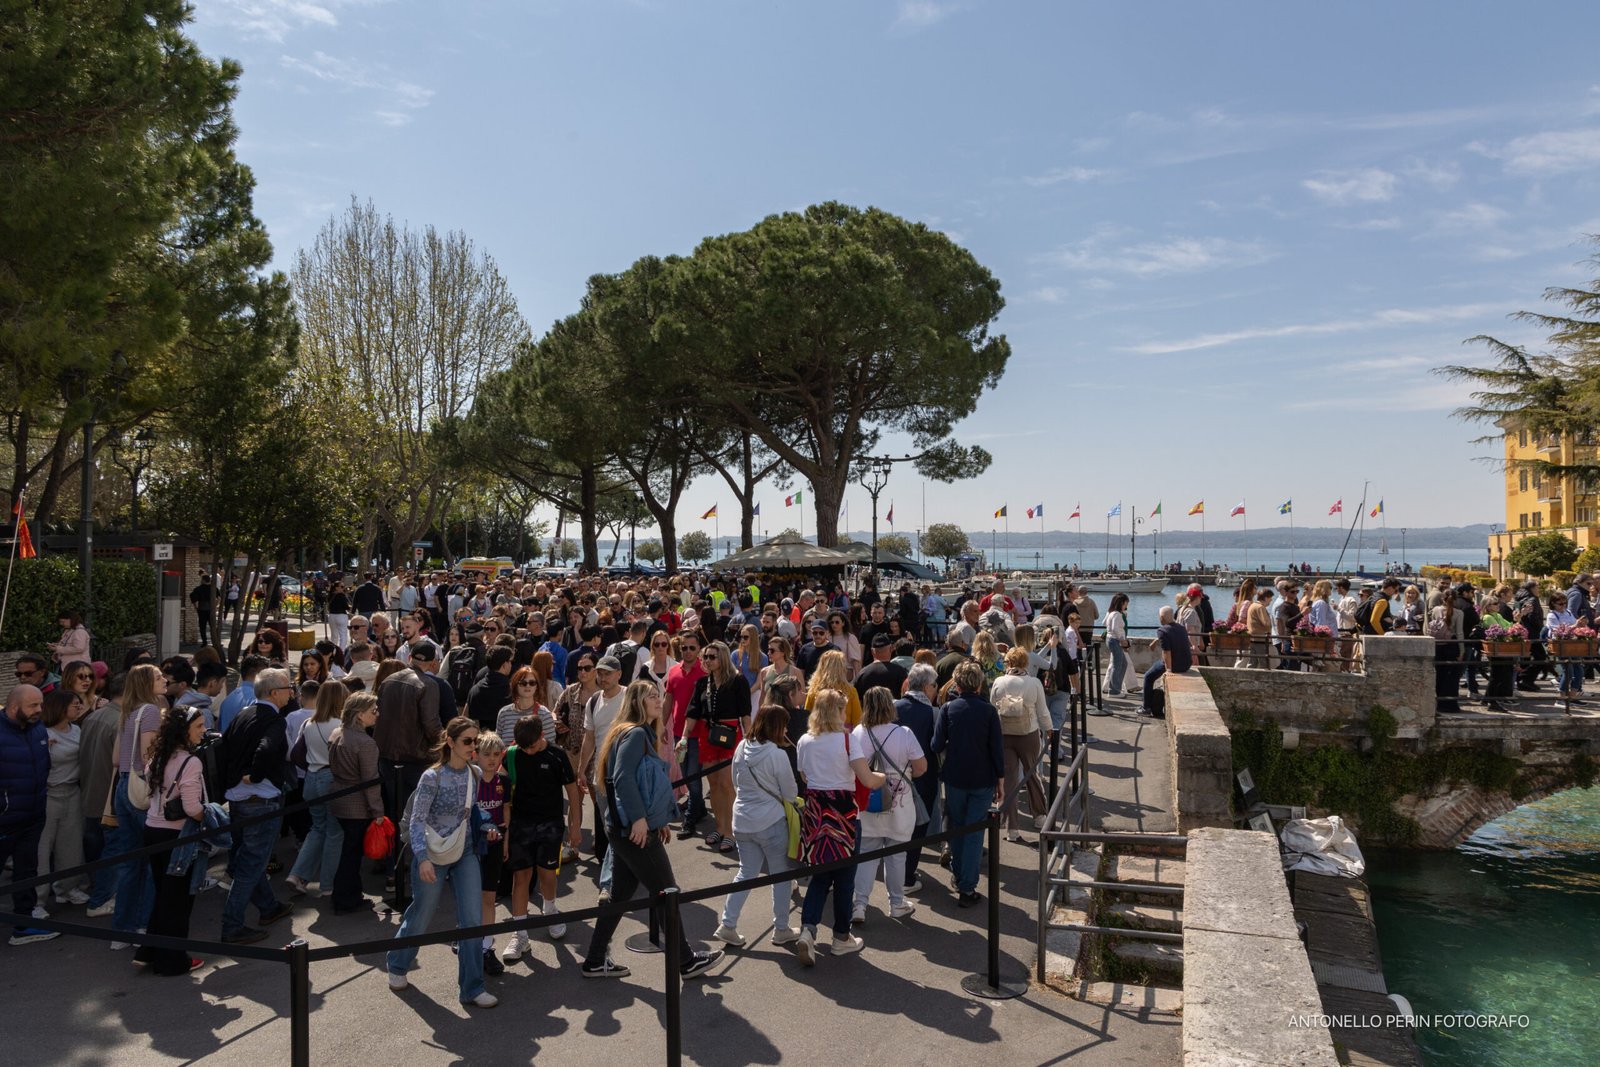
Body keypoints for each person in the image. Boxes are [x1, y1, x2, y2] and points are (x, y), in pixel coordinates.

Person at [583, 681, 722, 981]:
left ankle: (594, 959)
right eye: (652, 697)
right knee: (667, 890)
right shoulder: (634, 733)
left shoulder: (634, 732)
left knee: (619, 894)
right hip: (632, 830)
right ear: (637, 702)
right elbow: (622, 779)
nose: (659, 701)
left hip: (625, 828)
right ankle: (685, 961)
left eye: (659, 696)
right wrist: (639, 820)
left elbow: (640, 782)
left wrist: (654, 821)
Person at [385, 717, 497, 1009]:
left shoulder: (473, 773)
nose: (473, 746)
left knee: (472, 919)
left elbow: (473, 812)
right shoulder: (431, 777)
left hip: (466, 850)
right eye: (467, 741)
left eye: (476, 741)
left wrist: (487, 826)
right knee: (423, 912)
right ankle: (398, 964)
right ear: (450, 742)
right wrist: (422, 859)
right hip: (432, 854)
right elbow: (418, 820)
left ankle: (472, 987)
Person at [793, 689, 885, 964]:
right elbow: (867, 780)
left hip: (815, 813)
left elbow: (804, 776)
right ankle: (840, 937)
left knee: (820, 874)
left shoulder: (805, 740)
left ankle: (808, 930)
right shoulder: (847, 740)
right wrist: (882, 776)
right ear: (837, 712)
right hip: (843, 815)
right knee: (845, 878)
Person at [218, 666, 295, 944]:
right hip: (260, 800)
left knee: (248, 859)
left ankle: (268, 907)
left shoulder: (242, 714)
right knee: (250, 865)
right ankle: (232, 924)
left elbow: (223, 747)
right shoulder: (274, 720)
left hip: (238, 799)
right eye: (288, 689)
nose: (291, 693)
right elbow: (266, 748)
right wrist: (256, 774)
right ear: (274, 693)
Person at [714, 703, 801, 947]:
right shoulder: (777, 754)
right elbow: (790, 793)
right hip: (771, 821)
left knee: (746, 872)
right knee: (780, 875)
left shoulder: (742, 746)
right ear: (777, 727)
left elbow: (734, 781)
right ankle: (781, 928)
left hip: (742, 820)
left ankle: (728, 924)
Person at [134, 704, 209, 975]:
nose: (204, 731)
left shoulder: (157, 757)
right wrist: (210, 816)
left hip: (152, 830)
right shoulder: (191, 761)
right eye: (199, 726)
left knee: (165, 895)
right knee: (177, 901)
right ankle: (172, 961)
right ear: (184, 731)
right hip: (177, 834)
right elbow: (192, 808)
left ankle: (149, 950)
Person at [501, 711, 576, 961]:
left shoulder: (557, 755)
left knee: (546, 872)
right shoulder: (512, 755)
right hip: (521, 824)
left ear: (542, 736)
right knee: (521, 877)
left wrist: (575, 825)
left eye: (532, 747)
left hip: (550, 824)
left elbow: (572, 791)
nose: (528, 752)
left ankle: (550, 908)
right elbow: (500, 785)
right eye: (524, 748)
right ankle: (519, 933)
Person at [850, 686, 927, 924]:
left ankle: (859, 904)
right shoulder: (903, 733)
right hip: (899, 803)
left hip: (868, 800)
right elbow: (921, 767)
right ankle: (896, 903)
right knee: (896, 854)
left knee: (866, 854)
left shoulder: (858, 733)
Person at [932, 662, 1004, 907]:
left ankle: (959, 873)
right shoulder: (989, 711)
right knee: (974, 832)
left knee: (957, 827)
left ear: (957, 684)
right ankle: (967, 885)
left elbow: (936, 744)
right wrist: (1000, 780)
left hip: (955, 777)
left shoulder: (948, 708)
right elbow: (996, 749)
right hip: (983, 778)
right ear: (979, 683)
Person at [108, 663, 165, 947]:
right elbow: (148, 756)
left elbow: (117, 759)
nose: (164, 680)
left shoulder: (127, 712)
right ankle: (145, 925)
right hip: (142, 788)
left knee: (130, 861)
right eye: (158, 677)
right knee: (154, 860)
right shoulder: (151, 711)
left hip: (123, 786)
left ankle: (122, 930)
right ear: (146, 683)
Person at [374, 645, 443, 879]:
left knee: (394, 812)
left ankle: (393, 869)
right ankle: (418, 870)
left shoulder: (389, 680)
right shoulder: (428, 684)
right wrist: (444, 746)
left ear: (411, 657)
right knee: (418, 815)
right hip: (415, 759)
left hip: (386, 757)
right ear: (433, 662)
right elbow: (431, 724)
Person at [1, 683, 59, 945]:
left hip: (33, 817)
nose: (39, 710)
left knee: (27, 872)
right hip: (4, 820)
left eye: (40, 704)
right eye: (33, 705)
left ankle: (23, 926)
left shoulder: (37, 729)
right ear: (14, 707)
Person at [684, 641, 753, 853]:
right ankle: (720, 827)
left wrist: (749, 740)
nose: (707, 660)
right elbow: (693, 711)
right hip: (708, 734)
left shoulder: (737, 681)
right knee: (713, 783)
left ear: (722, 657)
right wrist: (684, 737)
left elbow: (745, 713)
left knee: (726, 783)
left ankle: (732, 831)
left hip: (731, 733)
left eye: (712, 656)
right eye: (705, 657)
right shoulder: (702, 683)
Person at [285, 680, 348, 898]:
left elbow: (295, 754)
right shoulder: (341, 725)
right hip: (331, 778)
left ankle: (298, 874)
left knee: (317, 829)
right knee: (334, 833)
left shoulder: (308, 723)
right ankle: (328, 885)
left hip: (311, 778)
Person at [327, 691, 383, 914]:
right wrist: (377, 810)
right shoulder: (365, 743)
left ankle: (351, 894)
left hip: (338, 799)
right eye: (373, 711)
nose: (377, 715)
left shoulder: (336, 734)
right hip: (357, 806)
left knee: (350, 852)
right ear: (360, 715)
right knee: (351, 855)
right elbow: (370, 781)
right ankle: (345, 899)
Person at [989, 647, 1051, 842]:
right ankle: (1040, 816)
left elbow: (992, 708)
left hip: (1005, 734)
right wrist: (1050, 729)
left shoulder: (999, 682)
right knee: (1032, 774)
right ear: (1025, 663)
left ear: (1008, 663)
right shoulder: (1034, 683)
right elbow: (1042, 712)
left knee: (1009, 780)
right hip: (1028, 733)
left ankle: (1011, 828)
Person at [37, 689, 88, 907]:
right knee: (42, 848)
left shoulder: (76, 729)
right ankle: (37, 900)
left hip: (72, 791)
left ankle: (68, 888)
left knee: (71, 844)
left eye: (79, 703)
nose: (78, 706)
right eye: (74, 703)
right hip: (48, 794)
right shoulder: (42, 733)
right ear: (59, 706)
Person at [471, 733, 509, 974]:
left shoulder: (503, 782)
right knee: (469, 897)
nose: (492, 760)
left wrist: (505, 842)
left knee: (488, 897)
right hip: (472, 846)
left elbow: (505, 811)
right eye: (486, 755)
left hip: (495, 846)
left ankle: (486, 947)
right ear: (475, 755)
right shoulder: (470, 780)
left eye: (496, 755)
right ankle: (466, 938)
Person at [1141, 605, 1193, 716]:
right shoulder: (1181, 628)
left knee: (1148, 677)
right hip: (1187, 664)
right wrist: (1155, 641)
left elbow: (1166, 652)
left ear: (1162, 618)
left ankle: (1146, 708)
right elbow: (1171, 635)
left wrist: (1168, 669)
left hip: (1174, 664)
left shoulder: (1162, 630)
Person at [804, 649, 863, 731]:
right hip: (844, 736)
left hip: (819, 735)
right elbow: (858, 721)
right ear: (841, 669)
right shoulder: (850, 691)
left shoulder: (813, 691)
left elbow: (807, 718)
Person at [855, 632, 908, 700]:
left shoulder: (862, 674)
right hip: (894, 710)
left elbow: (857, 700)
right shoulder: (900, 672)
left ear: (872, 651)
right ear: (891, 649)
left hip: (869, 710)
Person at [1103, 593, 1131, 695]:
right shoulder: (1117, 615)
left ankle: (1116, 688)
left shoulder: (1111, 613)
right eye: (1126, 603)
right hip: (1115, 640)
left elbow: (1104, 622)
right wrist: (1122, 639)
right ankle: (1114, 690)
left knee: (1123, 664)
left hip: (1111, 639)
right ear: (1121, 603)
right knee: (1117, 665)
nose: (1126, 606)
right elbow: (1115, 628)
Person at [48, 611, 91, 676]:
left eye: (63, 622)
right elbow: (68, 644)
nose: (62, 624)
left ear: (71, 620)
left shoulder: (79, 632)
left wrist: (59, 649)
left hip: (75, 667)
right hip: (69, 665)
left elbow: (79, 648)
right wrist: (57, 646)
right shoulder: (71, 630)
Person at [190, 575, 216, 646]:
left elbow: (193, 598)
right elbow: (219, 597)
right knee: (212, 626)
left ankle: (204, 642)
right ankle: (214, 642)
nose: (201, 581)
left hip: (202, 609)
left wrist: (196, 608)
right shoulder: (213, 588)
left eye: (201, 579)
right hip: (211, 610)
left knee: (202, 627)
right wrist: (215, 606)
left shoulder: (198, 589)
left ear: (204, 580)